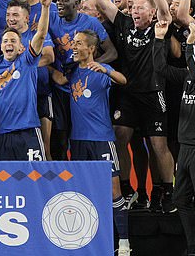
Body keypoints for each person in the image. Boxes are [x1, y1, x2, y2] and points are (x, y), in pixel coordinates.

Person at [89, 0, 177, 214]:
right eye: (132, 7)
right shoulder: (125, 22)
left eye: (140, 8)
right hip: (127, 93)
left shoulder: (159, 24)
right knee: (119, 136)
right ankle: (127, 188)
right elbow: (104, 4)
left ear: (150, 12)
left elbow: (164, 10)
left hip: (153, 93)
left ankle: (166, 192)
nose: (134, 11)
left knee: (158, 145)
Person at [51, 30, 130, 255]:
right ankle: (87, 239)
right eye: (73, 43)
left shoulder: (101, 71)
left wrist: (106, 69)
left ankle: (123, 241)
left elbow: (123, 80)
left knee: (114, 190)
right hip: (77, 141)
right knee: (81, 191)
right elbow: (60, 79)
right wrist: (44, 64)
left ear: (91, 49)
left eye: (78, 43)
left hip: (102, 139)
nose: (73, 47)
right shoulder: (74, 71)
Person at [154, 20, 195, 256]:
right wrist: (159, 40)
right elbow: (160, 69)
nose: (190, 62)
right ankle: (194, 248)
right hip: (186, 148)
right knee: (181, 200)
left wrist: (190, 44)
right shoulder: (190, 76)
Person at [0, 0, 52, 161]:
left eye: (13, 41)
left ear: (21, 47)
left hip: (29, 130)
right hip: (3, 133)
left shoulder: (27, 60)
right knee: (7, 184)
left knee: (36, 179)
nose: (9, 43)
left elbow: (40, 35)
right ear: (0, 46)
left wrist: (45, 7)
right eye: (5, 41)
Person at [48, 0, 116, 161]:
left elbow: (112, 52)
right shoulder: (51, 19)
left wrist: (87, 67)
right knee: (60, 142)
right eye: (58, 0)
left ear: (77, 4)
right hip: (60, 88)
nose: (60, 4)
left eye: (65, 0)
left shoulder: (90, 23)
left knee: (84, 138)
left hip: (83, 88)